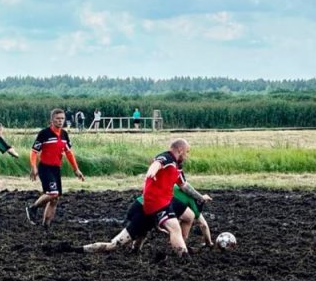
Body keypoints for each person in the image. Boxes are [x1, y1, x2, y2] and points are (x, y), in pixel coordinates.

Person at [82, 182, 213, 254]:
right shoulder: (191, 205)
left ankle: (135, 250)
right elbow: (203, 224)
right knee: (113, 245)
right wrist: (209, 243)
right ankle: (79, 249)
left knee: (142, 236)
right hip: (144, 212)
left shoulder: (174, 190)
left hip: (141, 206)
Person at [138, 139, 208, 256]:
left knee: (189, 216)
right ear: (180, 150)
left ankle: (180, 245)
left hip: (165, 200)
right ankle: (182, 255)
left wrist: (200, 197)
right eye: (187, 152)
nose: (187, 155)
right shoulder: (167, 157)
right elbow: (157, 164)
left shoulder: (177, 166)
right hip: (156, 201)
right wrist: (151, 172)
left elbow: (184, 186)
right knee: (174, 228)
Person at [25, 108, 85, 228]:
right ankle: (32, 208)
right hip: (45, 168)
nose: (60, 121)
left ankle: (46, 226)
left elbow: (69, 153)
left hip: (56, 168)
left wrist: (76, 169)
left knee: (55, 199)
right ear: (52, 120)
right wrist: (34, 167)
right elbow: (33, 152)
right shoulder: (44, 133)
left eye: (62, 118)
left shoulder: (64, 134)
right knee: (53, 193)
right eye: (58, 119)